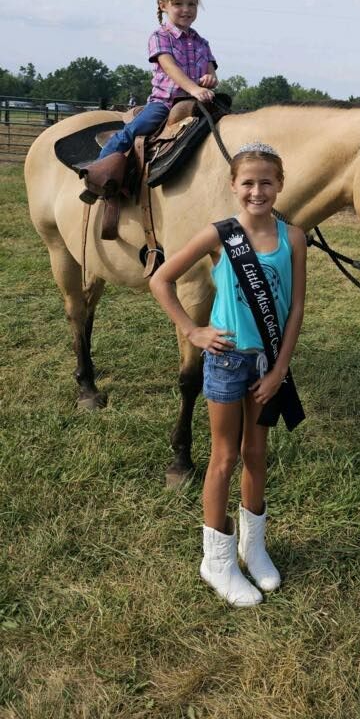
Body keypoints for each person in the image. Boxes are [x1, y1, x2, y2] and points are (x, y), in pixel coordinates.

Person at [149, 142, 307, 606]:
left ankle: (252, 546)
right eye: (248, 183)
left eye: (267, 182)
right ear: (233, 186)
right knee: (223, 457)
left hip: (267, 363)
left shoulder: (293, 237)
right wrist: (192, 330)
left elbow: (296, 306)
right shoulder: (220, 234)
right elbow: (161, 279)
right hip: (224, 359)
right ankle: (216, 559)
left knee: (256, 454)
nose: (257, 191)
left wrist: (280, 368)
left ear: (280, 185)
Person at [98, 0, 218, 159]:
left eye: (191, 4)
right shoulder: (160, 37)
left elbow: (211, 71)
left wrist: (210, 79)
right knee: (135, 130)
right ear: (163, 5)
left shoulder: (202, 42)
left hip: (199, 103)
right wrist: (194, 88)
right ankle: (98, 169)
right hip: (166, 103)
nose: (186, 9)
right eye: (178, 3)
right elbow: (170, 68)